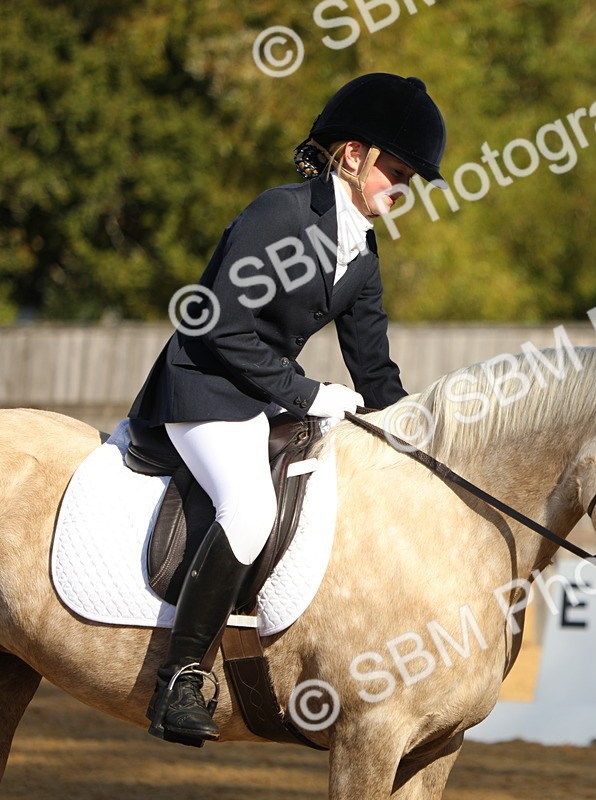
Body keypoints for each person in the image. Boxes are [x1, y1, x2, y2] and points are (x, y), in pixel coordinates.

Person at [128, 73, 446, 746]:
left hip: (262, 397)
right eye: (396, 169)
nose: (402, 188)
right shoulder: (281, 214)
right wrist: (306, 394)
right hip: (205, 387)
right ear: (354, 155)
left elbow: (375, 368)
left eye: (411, 178)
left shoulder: (361, 248)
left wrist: (423, 436)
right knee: (249, 509)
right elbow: (218, 325)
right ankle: (179, 680)